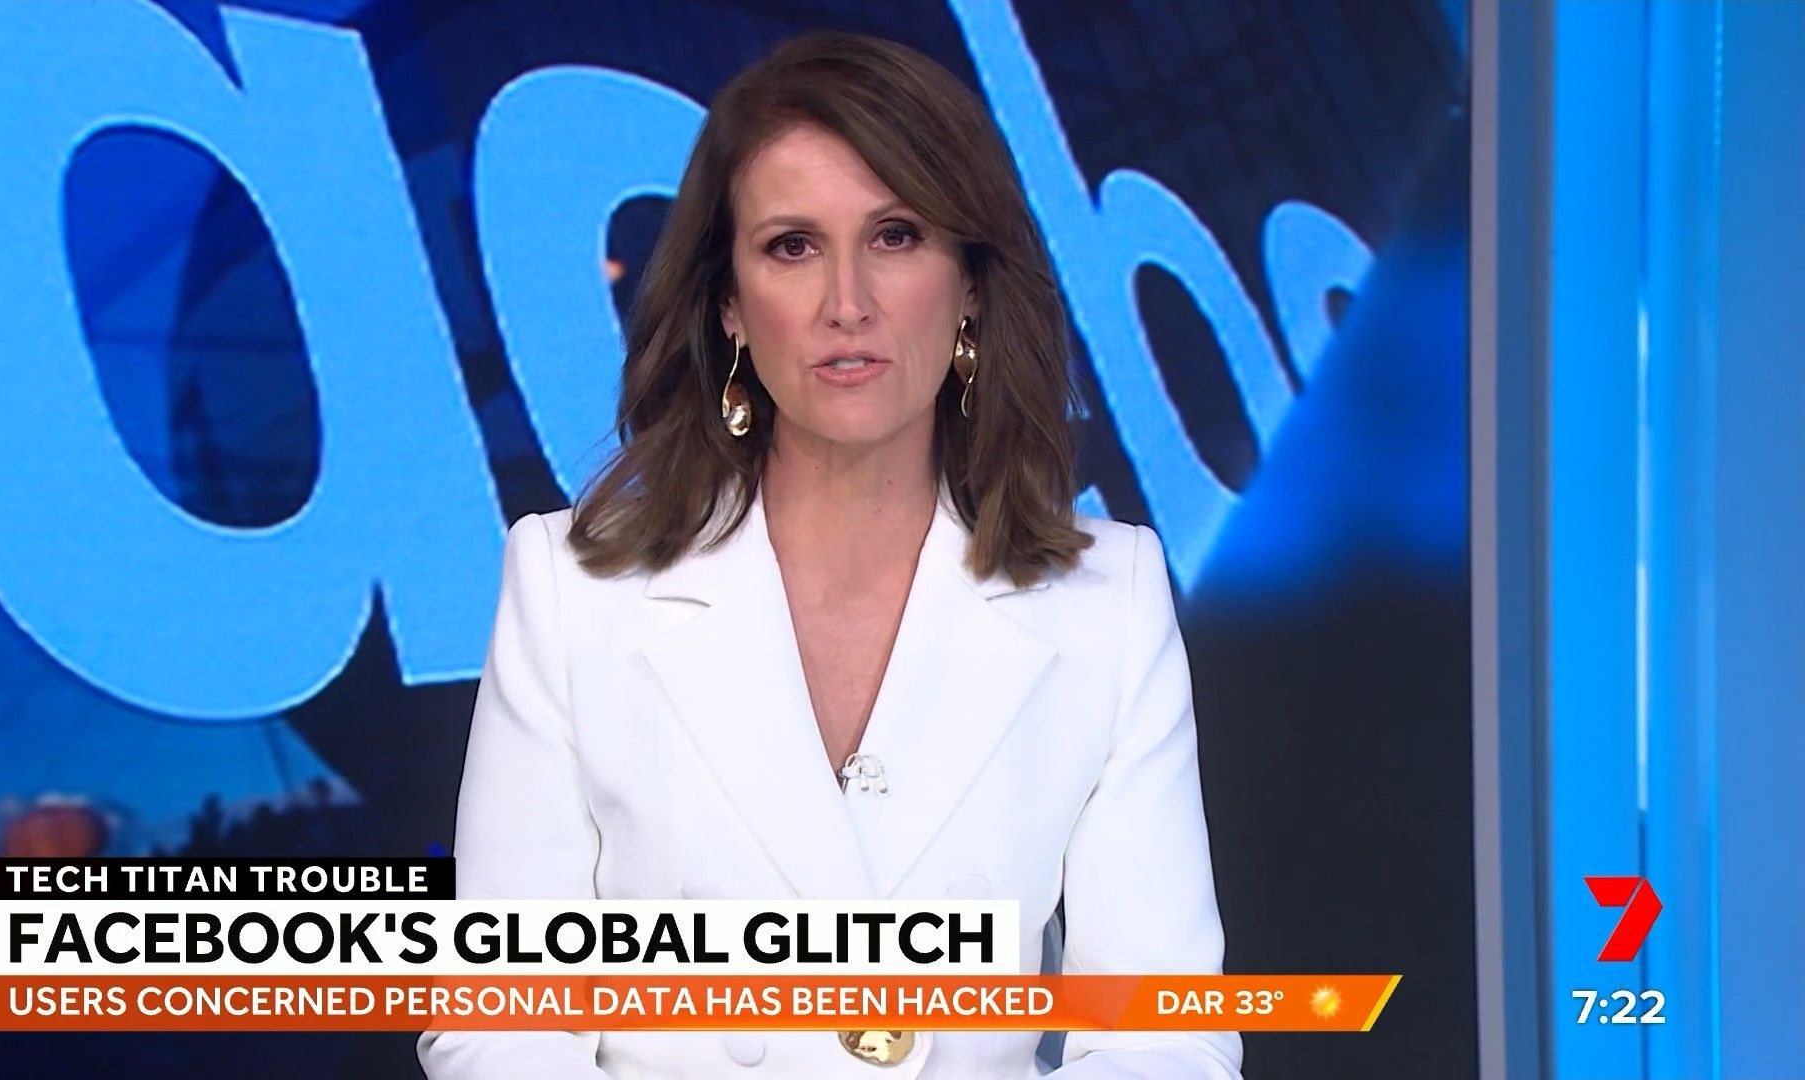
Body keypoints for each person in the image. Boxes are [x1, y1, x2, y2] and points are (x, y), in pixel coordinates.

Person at [418, 30, 1241, 1079]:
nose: (847, 303)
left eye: (895, 236)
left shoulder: (1108, 598)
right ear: (728, 303)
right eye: (792, 247)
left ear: (971, 284)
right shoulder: (570, 588)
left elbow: (1164, 1033)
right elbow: (500, 1019)